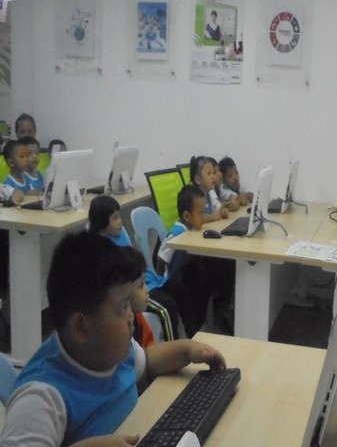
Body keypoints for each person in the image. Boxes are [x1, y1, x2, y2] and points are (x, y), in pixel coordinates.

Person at [0, 231, 226, 446]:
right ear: (81, 327)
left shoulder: (112, 350)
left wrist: (186, 350)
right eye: (122, 308)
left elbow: (148, 363)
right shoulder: (41, 399)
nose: (131, 316)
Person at [87, 195, 180, 340]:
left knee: (178, 288)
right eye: (114, 218)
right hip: (132, 292)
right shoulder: (101, 249)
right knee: (165, 309)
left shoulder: (119, 234)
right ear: (101, 224)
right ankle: (173, 347)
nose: (120, 221)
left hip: (143, 280)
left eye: (119, 216)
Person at [157, 185, 235, 338]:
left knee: (216, 267)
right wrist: (160, 281)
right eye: (200, 213)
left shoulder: (190, 227)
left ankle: (220, 309)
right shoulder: (176, 233)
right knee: (203, 278)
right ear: (187, 216)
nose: (203, 216)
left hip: (187, 270)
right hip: (175, 279)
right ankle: (194, 329)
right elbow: (160, 258)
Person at [190, 155, 232, 222]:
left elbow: (218, 208)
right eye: (209, 173)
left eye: (213, 173)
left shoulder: (209, 195)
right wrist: (212, 217)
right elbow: (196, 219)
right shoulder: (194, 198)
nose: (213, 177)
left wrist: (222, 211)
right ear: (198, 179)